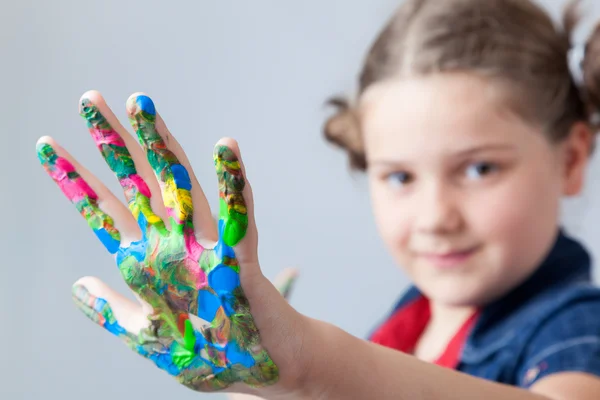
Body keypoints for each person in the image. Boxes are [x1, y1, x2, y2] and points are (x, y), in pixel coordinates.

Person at [37, 0, 600, 399]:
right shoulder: (408, 322)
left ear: (572, 159)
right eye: (400, 177)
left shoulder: (575, 326)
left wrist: (304, 362)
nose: (435, 217)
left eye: (479, 168)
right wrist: (263, 389)